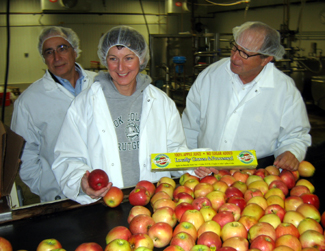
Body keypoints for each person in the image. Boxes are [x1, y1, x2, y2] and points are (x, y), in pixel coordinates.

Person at [52, 26, 211, 205]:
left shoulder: (160, 102)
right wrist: (81, 181)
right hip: (104, 204)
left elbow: (173, 150)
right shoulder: (84, 104)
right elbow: (68, 157)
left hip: (154, 202)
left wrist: (194, 164)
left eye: (128, 58)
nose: (121, 67)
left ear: (141, 59)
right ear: (105, 59)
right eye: (113, 59)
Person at [182, 21, 311, 172]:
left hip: (255, 176)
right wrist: (189, 166)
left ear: (266, 59)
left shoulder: (284, 89)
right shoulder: (211, 75)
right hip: (205, 171)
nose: (235, 57)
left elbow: (296, 135)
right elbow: (190, 125)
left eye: (245, 53)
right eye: (235, 48)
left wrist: (291, 152)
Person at [11, 26, 97, 203]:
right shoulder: (28, 101)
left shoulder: (100, 84)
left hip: (106, 189)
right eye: (49, 52)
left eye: (62, 48)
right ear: (44, 58)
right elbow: (25, 156)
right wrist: (49, 188)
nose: (57, 57)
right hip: (60, 198)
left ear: (75, 50)